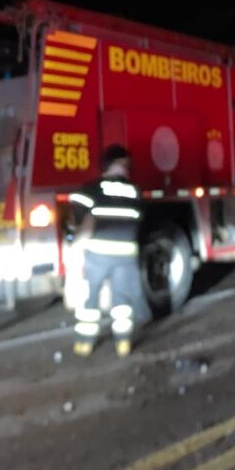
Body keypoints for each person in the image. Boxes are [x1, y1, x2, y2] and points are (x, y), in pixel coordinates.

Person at [68, 144, 150, 358]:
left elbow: (85, 222)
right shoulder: (134, 190)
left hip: (98, 255)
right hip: (126, 256)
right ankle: (123, 345)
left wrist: (75, 245)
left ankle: (85, 345)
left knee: (90, 299)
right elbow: (139, 219)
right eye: (125, 163)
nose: (127, 167)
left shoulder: (92, 189)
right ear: (118, 164)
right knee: (122, 301)